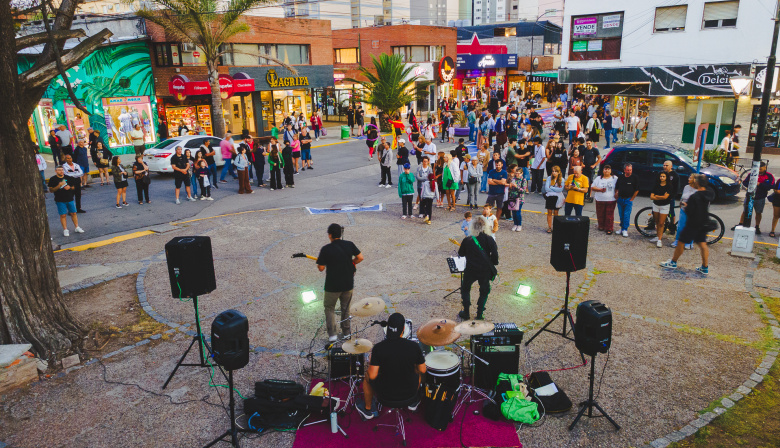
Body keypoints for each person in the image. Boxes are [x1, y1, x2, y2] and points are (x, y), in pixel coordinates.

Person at [356, 312, 425, 421]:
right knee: (419, 370)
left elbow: (373, 375)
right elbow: (423, 369)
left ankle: (368, 409)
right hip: (409, 393)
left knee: (367, 377)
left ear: (387, 328)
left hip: (385, 395)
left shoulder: (378, 348)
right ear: (403, 330)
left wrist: (372, 361)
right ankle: (413, 402)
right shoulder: (414, 347)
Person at [316, 224, 363, 346]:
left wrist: (322, 263)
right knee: (345, 308)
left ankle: (332, 335)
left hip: (332, 286)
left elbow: (321, 268)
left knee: (329, 308)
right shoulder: (349, 244)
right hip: (348, 284)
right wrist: (352, 262)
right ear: (340, 234)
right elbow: (360, 257)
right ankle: (347, 332)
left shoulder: (326, 249)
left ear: (330, 235)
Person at [660, 174, 714, 275]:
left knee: (680, 242)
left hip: (693, 224)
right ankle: (705, 267)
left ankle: (673, 262)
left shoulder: (694, 197)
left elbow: (689, 211)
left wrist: (686, 205)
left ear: (697, 183)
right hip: (703, 222)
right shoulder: (709, 192)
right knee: (703, 244)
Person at [457, 215, 499, 321]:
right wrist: (492, 263)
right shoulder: (490, 239)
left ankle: (466, 312)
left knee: (465, 289)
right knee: (484, 290)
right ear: (485, 226)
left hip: (470, 269)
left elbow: (461, 254)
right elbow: (495, 257)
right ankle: (479, 314)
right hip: (484, 270)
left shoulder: (467, 240)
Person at [733, 162, 775, 234]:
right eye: (758, 168)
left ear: (765, 168)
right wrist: (751, 183)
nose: (759, 170)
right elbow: (745, 183)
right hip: (750, 196)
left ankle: (757, 226)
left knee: (758, 212)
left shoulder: (769, 176)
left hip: (760, 197)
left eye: (761, 168)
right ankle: (740, 223)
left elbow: (771, 186)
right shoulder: (751, 174)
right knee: (745, 211)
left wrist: (760, 184)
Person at [48, 166, 84, 237]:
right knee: (63, 215)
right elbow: (51, 190)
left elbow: (74, 187)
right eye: (59, 170)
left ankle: (77, 227)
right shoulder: (53, 179)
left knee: (73, 213)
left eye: (62, 170)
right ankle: (65, 229)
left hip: (70, 198)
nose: (61, 171)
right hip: (60, 200)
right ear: (56, 171)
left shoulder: (69, 178)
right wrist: (59, 185)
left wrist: (69, 187)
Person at [671, 174, 698, 249]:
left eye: (690, 178)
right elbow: (682, 196)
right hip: (683, 209)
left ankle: (689, 243)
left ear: (694, 180)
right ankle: (677, 241)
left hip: (693, 211)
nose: (688, 179)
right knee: (680, 226)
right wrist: (680, 202)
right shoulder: (686, 187)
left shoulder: (698, 189)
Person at [614, 163, 639, 237]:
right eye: (628, 170)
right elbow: (617, 186)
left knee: (626, 215)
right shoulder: (621, 177)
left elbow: (637, 189)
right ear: (624, 170)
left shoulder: (635, 177)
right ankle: (621, 228)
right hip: (620, 199)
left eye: (630, 170)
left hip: (628, 199)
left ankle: (625, 229)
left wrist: (632, 198)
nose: (629, 171)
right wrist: (616, 193)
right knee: (621, 215)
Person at [592, 165, 618, 234]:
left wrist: (617, 193)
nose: (606, 171)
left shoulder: (614, 178)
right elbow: (592, 187)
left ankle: (609, 228)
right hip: (600, 199)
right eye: (605, 169)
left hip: (611, 199)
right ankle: (601, 226)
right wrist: (600, 189)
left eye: (608, 169)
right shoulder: (598, 178)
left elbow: (619, 186)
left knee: (609, 215)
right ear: (603, 170)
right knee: (600, 213)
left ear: (611, 171)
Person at [543, 165, 565, 233]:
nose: (554, 173)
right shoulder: (549, 178)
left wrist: (551, 187)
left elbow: (560, 189)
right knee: (549, 212)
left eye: (555, 171)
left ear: (558, 172)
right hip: (550, 197)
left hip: (558, 197)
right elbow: (546, 188)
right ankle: (549, 227)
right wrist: (554, 188)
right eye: (553, 171)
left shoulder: (561, 179)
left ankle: (556, 226)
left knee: (556, 212)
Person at [506, 164, 528, 232]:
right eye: (516, 173)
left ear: (522, 173)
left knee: (518, 212)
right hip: (512, 197)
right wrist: (510, 186)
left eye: (519, 173)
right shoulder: (513, 179)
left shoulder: (523, 180)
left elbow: (523, 190)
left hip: (519, 198)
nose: (517, 175)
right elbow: (511, 188)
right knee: (513, 212)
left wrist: (516, 186)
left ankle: (519, 225)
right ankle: (515, 224)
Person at [418, 158, 437, 224]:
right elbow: (436, 191)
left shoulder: (425, 183)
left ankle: (426, 215)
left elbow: (423, 190)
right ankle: (429, 219)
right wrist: (437, 198)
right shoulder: (434, 183)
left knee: (424, 206)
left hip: (425, 196)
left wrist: (421, 196)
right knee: (430, 207)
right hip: (431, 197)